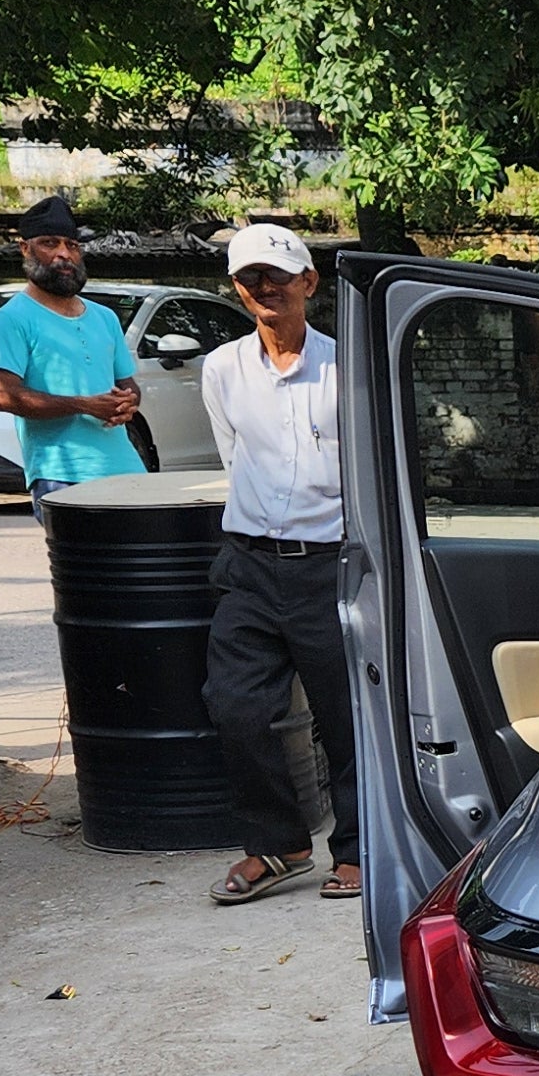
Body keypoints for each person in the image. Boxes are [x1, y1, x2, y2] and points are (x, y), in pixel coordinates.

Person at [201, 219, 360, 907]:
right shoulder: (222, 369)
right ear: (238, 291)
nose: (265, 287)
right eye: (250, 278)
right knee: (234, 706)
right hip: (248, 564)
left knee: (344, 714)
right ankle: (281, 844)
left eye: (277, 275)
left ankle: (357, 848)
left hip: (327, 564)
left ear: (308, 283)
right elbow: (232, 460)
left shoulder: (348, 364)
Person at [0, 193, 144, 513]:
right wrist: (83, 405)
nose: (63, 254)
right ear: (25, 248)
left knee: (145, 563)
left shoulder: (104, 317)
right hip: (61, 475)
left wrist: (127, 402)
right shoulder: (12, 318)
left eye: (71, 245)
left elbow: (127, 383)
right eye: (49, 243)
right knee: (85, 564)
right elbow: (4, 397)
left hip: (127, 467)